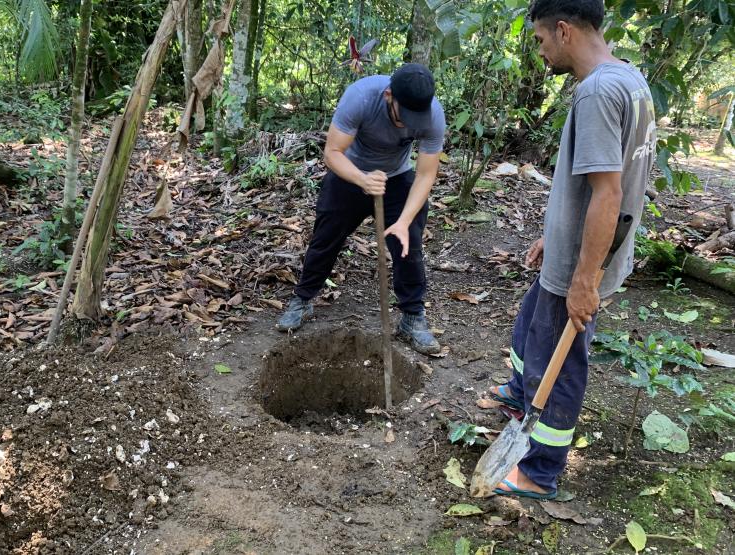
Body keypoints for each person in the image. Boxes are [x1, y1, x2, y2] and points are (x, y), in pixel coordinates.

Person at [486, 0, 657, 498]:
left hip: (583, 264)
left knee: (557, 363)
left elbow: (609, 192)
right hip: (578, 248)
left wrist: (584, 281)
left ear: (562, 31)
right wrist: (555, 232)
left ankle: (540, 471)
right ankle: (518, 396)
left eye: (540, 40)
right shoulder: (630, 79)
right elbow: (612, 178)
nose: (540, 52)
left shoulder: (596, 92)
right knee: (530, 327)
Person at [276, 63, 446, 355]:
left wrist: (404, 221)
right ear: (389, 96)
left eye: (413, 119)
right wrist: (361, 179)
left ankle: (412, 317)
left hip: (397, 176)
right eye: (401, 117)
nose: (406, 125)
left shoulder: (432, 115)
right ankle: (303, 299)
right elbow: (332, 152)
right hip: (351, 171)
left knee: (409, 245)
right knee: (326, 237)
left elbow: (426, 174)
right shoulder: (361, 97)